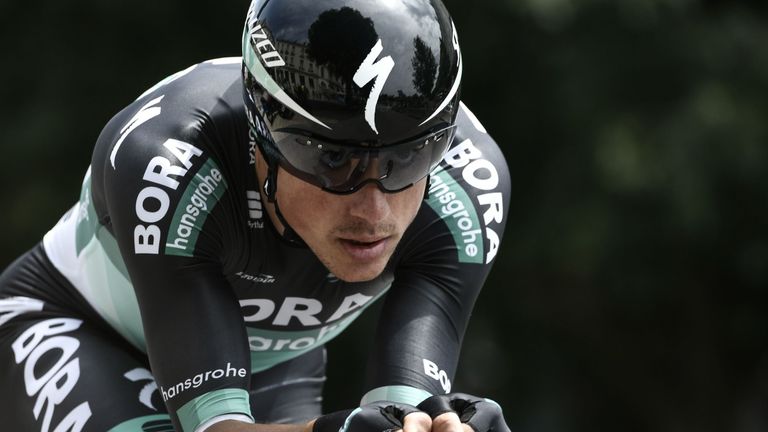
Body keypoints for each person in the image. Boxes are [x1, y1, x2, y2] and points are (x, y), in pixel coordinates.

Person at [0, 0, 511, 431]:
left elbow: (401, 416)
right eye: (332, 160)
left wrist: (436, 422)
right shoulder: (170, 160)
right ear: (260, 134)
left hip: (274, 367)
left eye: (411, 158)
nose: (374, 210)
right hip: (75, 327)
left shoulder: (467, 187)